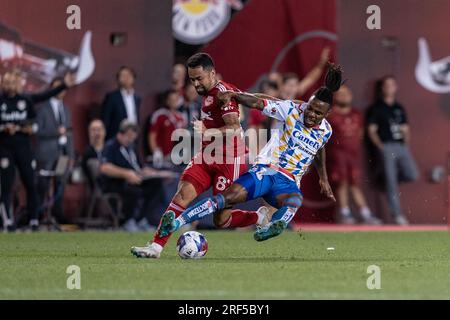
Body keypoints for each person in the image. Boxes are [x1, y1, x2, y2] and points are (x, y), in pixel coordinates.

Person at [157, 63, 341, 242]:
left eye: (318, 113)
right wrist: (235, 95)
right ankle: (175, 223)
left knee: (295, 199)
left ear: (327, 114)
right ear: (306, 104)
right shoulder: (292, 109)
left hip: (288, 181)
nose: (311, 114)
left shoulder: (326, 131)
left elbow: (319, 149)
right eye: (310, 108)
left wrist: (323, 178)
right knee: (224, 200)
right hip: (265, 171)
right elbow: (258, 102)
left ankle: (274, 226)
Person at [131, 53, 260, 258]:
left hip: (230, 160)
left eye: (199, 78)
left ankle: (260, 218)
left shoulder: (223, 94)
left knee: (221, 220)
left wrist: (207, 132)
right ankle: (156, 247)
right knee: (182, 195)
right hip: (206, 156)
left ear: (212, 73)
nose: (196, 84)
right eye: (192, 79)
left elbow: (235, 128)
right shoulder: (206, 92)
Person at [0, 70, 74, 231]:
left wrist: (23, 128)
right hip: (5, 149)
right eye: (5, 82)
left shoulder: (26, 99)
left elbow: (35, 120)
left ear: (19, 83)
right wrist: (5, 128)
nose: (8, 85)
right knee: (6, 186)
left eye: (12, 82)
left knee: (30, 184)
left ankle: (34, 220)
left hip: (24, 148)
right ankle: (7, 221)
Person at [366, 75, 419, 225]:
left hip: (401, 145)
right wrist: (381, 147)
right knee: (391, 183)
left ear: (396, 87)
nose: (389, 87)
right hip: (386, 146)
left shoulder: (398, 107)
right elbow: (371, 130)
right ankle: (397, 215)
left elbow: (405, 128)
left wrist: (406, 143)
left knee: (412, 174)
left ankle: (389, 182)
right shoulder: (376, 108)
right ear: (382, 88)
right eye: (387, 85)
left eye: (392, 85)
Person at [326, 85, 381, 225]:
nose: (344, 96)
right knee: (342, 183)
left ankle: (365, 214)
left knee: (355, 183)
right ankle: (344, 213)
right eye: (341, 94)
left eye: (347, 93)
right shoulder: (330, 115)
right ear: (335, 97)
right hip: (337, 155)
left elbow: (361, 134)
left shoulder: (356, 114)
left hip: (354, 156)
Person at [100, 120, 167, 232]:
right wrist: (126, 174)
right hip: (116, 183)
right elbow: (105, 168)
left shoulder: (131, 148)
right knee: (133, 190)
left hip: (136, 180)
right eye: (129, 136)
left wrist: (152, 173)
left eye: (133, 137)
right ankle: (127, 220)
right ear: (120, 134)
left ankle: (141, 219)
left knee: (156, 185)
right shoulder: (111, 147)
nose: (131, 139)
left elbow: (139, 167)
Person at [35, 77, 75, 224]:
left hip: (62, 154)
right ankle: (38, 213)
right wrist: (56, 132)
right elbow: (38, 131)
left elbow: (69, 133)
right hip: (46, 153)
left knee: (60, 183)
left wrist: (71, 154)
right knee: (43, 184)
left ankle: (57, 212)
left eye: (62, 87)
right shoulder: (42, 108)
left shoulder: (66, 109)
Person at [148, 89, 187, 168]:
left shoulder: (182, 117)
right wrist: (156, 151)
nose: (174, 102)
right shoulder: (160, 115)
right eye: (172, 99)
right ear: (167, 101)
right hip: (164, 157)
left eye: (176, 99)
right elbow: (152, 136)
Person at [101, 66, 141, 140]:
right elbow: (106, 120)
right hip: (116, 138)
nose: (126, 78)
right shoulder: (112, 97)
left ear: (133, 78)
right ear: (118, 79)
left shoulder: (136, 98)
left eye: (128, 75)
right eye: (123, 76)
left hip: (133, 137)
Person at [81, 119, 106, 190]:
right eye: (93, 130)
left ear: (104, 131)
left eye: (99, 129)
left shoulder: (111, 150)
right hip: (97, 188)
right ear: (89, 133)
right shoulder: (87, 153)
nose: (97, 133)